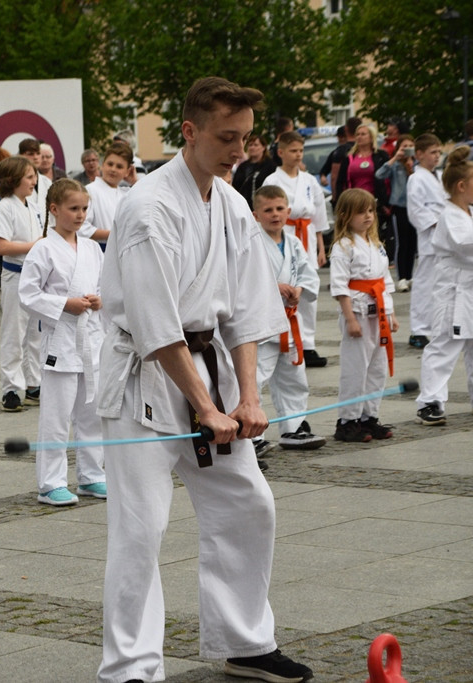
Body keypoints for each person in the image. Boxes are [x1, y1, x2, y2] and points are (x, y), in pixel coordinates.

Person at [95, 76, 312, 683]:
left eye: (245, 138)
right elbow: (157, 325)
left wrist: (247, 398)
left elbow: (247, 310)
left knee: (248, 502)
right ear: (189, 132)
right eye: (226, 137)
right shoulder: (149, 208)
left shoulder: (233, 203)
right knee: (142, 526)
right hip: (144, 380)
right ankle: (131, 669)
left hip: (209, 368)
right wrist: (205, 407)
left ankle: (245, 641)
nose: (239, 150)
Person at [18, 179, 106, 506]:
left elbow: (104, 286)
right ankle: (50, 483)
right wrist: (63, 304)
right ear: (54, 209)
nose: (80, 215)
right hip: (61, 340)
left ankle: (92, 475)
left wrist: (99, 300)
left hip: (91, 339)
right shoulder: (43, 248)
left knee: (92, 414)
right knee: (56, 418)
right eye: (73, 208)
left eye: (84, 208)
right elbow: (28, 294)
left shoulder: (92, 248)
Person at [250, 186, 325, 457]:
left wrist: (299, 289)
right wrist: (275, 286)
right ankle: (252, 435)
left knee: (294, 376)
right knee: (254, 378)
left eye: (280, 209)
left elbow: (307, 273)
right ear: (255, 215)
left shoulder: (293, 242)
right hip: (262, 324)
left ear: (288, 211)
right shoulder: (251, 243)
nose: (275, 214)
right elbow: (244, 278)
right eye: (268, 210)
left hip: (290, 321)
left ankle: (294, 427)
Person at [329, 189, 398, 442]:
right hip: (357, 312)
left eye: (370, 211)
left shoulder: (376, 245)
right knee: (355, 369)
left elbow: (385, 282)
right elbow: (339, 286)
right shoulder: (343, 247)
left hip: (378, 311)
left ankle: (369, 417)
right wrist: (350, 319)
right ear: (345, 215)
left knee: (377, 368)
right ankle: (348, 421)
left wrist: (391, 315)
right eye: (361, 212)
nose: (368, 216)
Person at [414, 146, 473, 426]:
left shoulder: (469, 212)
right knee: (444, 345)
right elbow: (464, 244)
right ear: (462, 186)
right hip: (454, 292)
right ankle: (430, 401)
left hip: (470, 290)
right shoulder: (450, 215)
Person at [263, 131, 331, 368]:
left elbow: (319, 215)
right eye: (293, 151)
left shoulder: (309, 180)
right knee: (286, 288)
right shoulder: (272, 180)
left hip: (307, 236)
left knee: (307, 289)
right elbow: (266, 211)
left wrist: (321, 248)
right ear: (281, 152)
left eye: (301, 150)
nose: (298, 155)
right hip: (283, 233)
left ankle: (308, 343)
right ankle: (282, 336)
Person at [0, 156, 42, 413]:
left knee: (35, 334)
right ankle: (10, 388)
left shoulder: (32, 206)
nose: (34, 181)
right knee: (13, 333)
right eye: (29, 177)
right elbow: (2, 246)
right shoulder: (4, 207)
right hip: (15, 275)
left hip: (34, 276)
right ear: (13, 180)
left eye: (34, 176)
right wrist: (34, 246)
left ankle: (33, 383)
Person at [406, 133, 447, 350]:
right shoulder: (416, 178)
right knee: (424, 285)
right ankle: (419, 330)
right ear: (419, 154)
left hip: (448, 238)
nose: (436, 156)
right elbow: (416, 210)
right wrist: (438, 222)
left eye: (439, 152)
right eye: (432, 152)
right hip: (431, 237)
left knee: (443, 284)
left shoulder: (440, 176)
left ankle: (439, 325)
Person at [375, 134, 416, 292]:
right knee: (402, 242)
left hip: (414, 207)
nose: (407, 149)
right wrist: (395, 158)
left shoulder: (417, 164)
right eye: (404, 146)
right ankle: (402, 277)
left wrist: (412, 164)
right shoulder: (395, 164)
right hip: (399, 207)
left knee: (413, 243)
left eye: (410, 146)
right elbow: (379, 174)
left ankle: (410, 276)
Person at [85, 141, 136, 242]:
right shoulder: (90, 191)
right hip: (100, 248)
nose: (113, 169)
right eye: (110, 164)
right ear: (102, 165)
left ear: (127, 171)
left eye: (119, 167)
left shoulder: (126, 194)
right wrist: (115, 234)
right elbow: (83, 228)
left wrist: (135, 182)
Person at [231, 134, 276, 209]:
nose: (252, 147)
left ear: (263, 147)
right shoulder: (243, 166)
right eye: (250, 145)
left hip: (262, 205)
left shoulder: (270, 166)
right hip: (242, 205)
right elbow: (235, 185)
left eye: (256, 145)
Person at [329, 116, 363, 204]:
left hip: (348, 196)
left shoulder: (341, 151)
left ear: (346, 129)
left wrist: (335, 198)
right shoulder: (366, 149)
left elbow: (334, 177)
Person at [18, 138, 51, 221]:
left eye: (38, 153)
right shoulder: (16, 181)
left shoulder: (46, 182)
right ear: (21, 156)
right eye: (31, 154)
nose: (36, 157)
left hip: (45, 226)